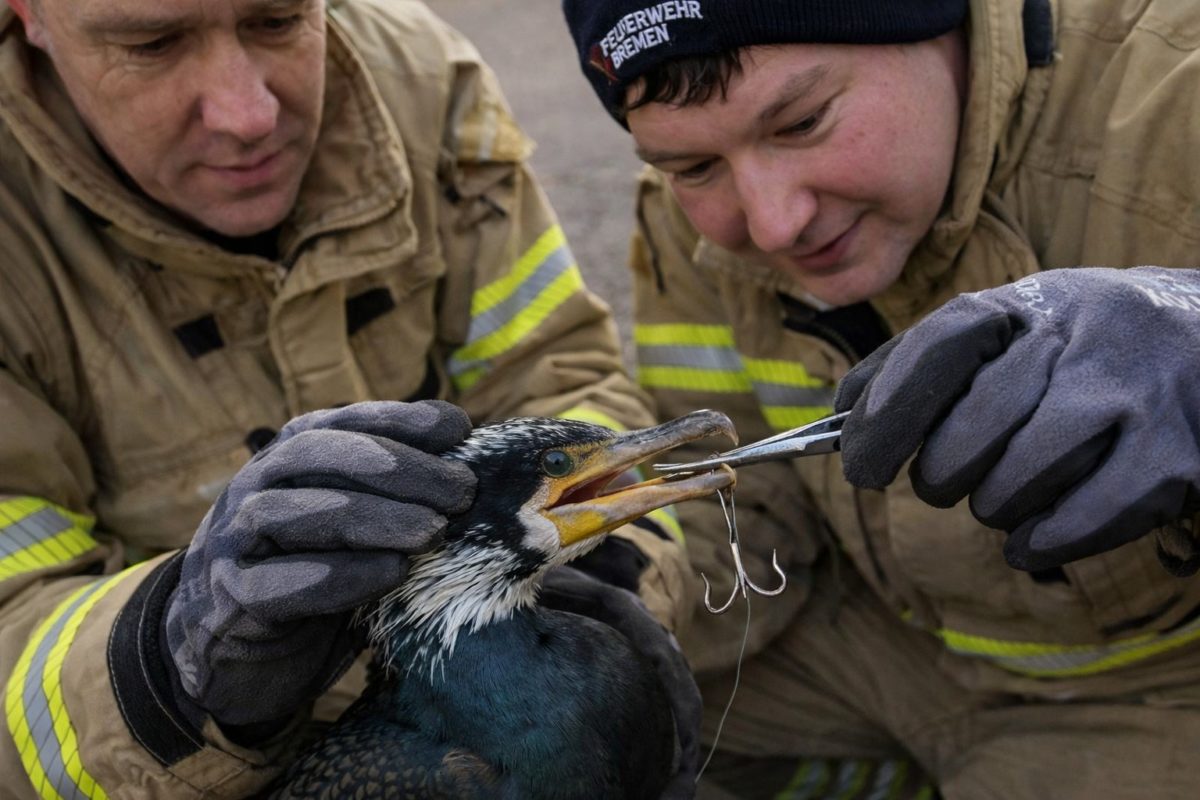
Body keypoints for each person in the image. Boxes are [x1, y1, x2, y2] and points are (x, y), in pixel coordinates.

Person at [0, 0, 699, 796]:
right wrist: (168, 657)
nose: (248, 114)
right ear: (29, 15)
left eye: (278, 20)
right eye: (151, 43)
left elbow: (563, 372)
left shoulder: (421, 80)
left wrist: (607, 574)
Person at [561, 0, 1200, 797]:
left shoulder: (1177, 82)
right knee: (534, 722)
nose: (772, 223)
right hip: (873, 649)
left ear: (942, 26)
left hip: (1154, 689)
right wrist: (595, 579)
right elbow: (746, 508)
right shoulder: (685, 225)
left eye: (801, 122)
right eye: (693, 169)